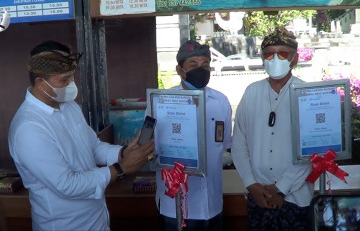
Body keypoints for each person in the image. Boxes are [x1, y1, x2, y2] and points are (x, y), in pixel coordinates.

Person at [8, 40, 155, 231]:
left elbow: (93, 147)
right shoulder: (28, 128)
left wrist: (123, 153)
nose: (71, 84)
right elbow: (66, 185)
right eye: (64, 80)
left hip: (97, 220)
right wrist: (121, 169)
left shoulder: (69, 106)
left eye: (72, 77)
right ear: (40, 83)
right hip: (64, 225)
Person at [231, 27, 314, 230]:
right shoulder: (252, 92)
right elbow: (239, 142)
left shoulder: (307, 94)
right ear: (262, 58)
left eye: (283, 53)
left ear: (294, 59)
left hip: (296, 198)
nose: (276, 59)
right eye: (270, 54)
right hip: (257, 196)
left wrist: (280, 189)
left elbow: (311, 150)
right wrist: (252, 184)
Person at [155, 40, 232, 231]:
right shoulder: (162, 102)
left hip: (212, 203)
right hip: (175, 206)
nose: (201, 69)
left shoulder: (220, 101)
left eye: (205, 64)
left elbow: (225, 145)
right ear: (180, 70)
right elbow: (151, 146)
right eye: (194, 65)